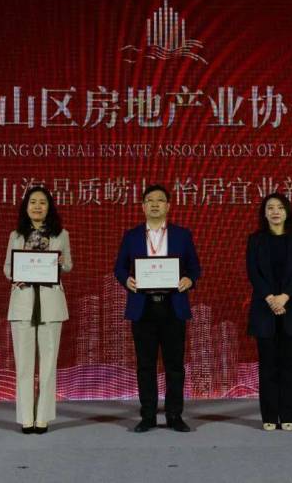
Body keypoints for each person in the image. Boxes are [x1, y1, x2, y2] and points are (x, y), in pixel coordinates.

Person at [114, 184, 201, 433]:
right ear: (143, 206)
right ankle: (148, 416)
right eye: (149, 200)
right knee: (145, 365)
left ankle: (174, 415)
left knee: (175, 365)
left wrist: (190, 279)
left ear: (168, 206)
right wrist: (126, 280)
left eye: (160, 200)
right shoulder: (131, 236)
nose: (154, 204)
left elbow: (195, 267)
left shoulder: (182, 235)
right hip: (143, 307)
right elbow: (119, 267)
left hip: (173, 306)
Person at [3, 186, 72, 434]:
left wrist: (62, 262)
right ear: (26, 207)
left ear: (49, 207)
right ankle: (26, 418)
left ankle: (42, 417)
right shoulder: (16, 235)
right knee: (23, 364)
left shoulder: (61, 234)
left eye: (42, 202)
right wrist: (16, 275)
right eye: (33, 202)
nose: (37, 206)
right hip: (22, 302)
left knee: (48, 364)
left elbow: (68, 265)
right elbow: (8, 267)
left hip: (51, 303)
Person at [245, 193, 292, 431]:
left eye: (280, 207)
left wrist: (285, 296)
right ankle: (269, 416)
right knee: (267, 366)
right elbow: (253, 272)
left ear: (287, 212)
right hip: (264, 308)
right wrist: (271, 298)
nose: (275, 212)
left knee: (288, 366)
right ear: (264, 213)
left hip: (290, 308)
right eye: (270, 207)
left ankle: (288, 415)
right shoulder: (255, 240)